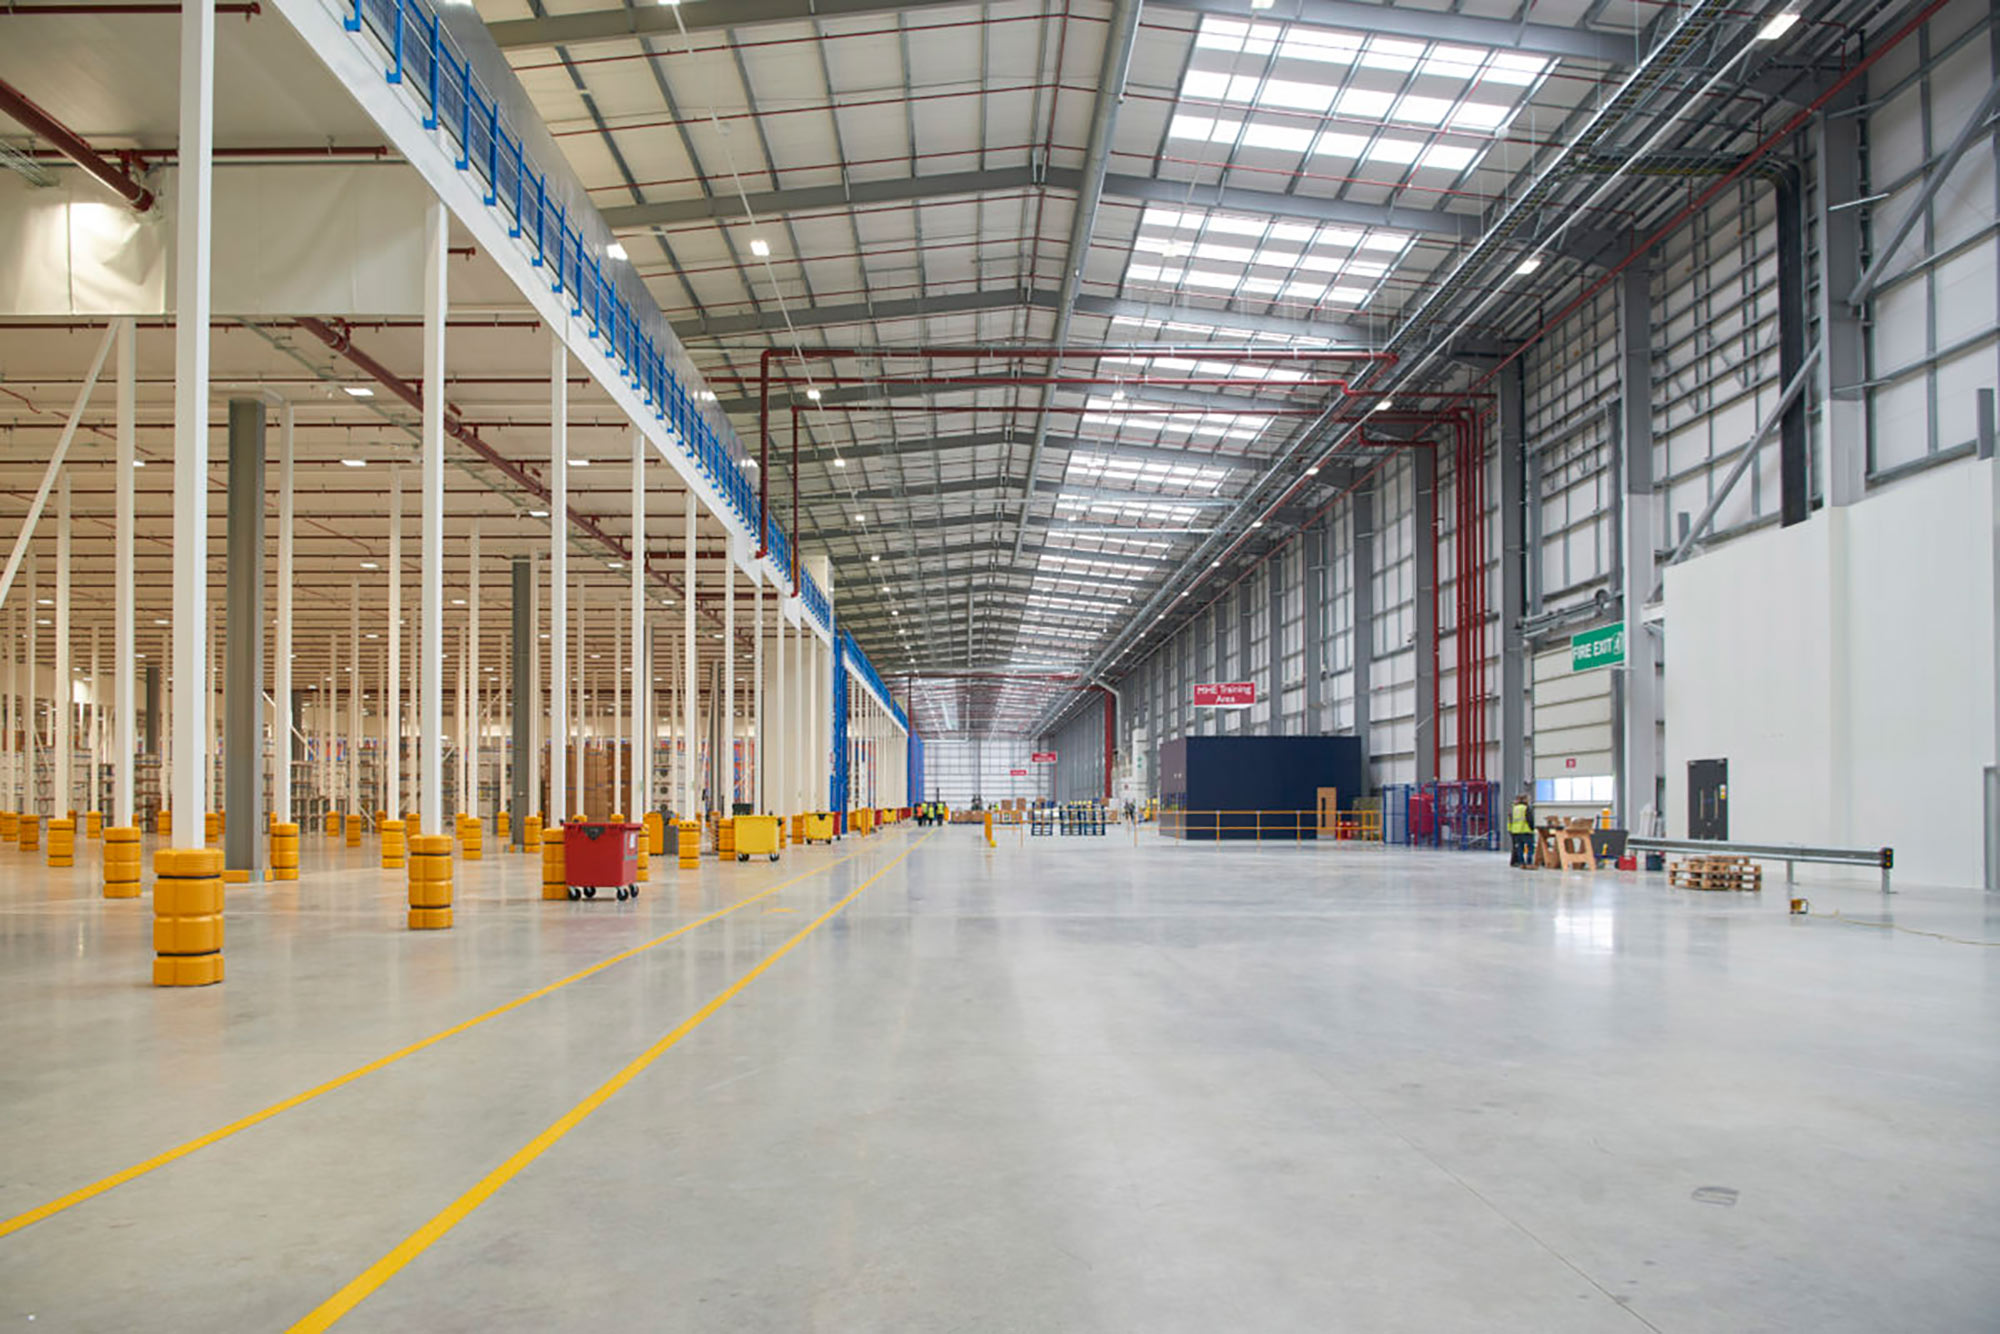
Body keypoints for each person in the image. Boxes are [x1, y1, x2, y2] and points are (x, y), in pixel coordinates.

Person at [1508, 791, 1535, 867]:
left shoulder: (1514, 808)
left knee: (1520, 848)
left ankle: (1521, 863)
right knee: (1530, 847)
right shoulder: (1526, 808)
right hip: (1526, 830)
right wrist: (1532, 828)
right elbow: (1530, 819)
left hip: (1516, 831)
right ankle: (1529, 862)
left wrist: (1510, 830)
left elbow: (1510, 819)